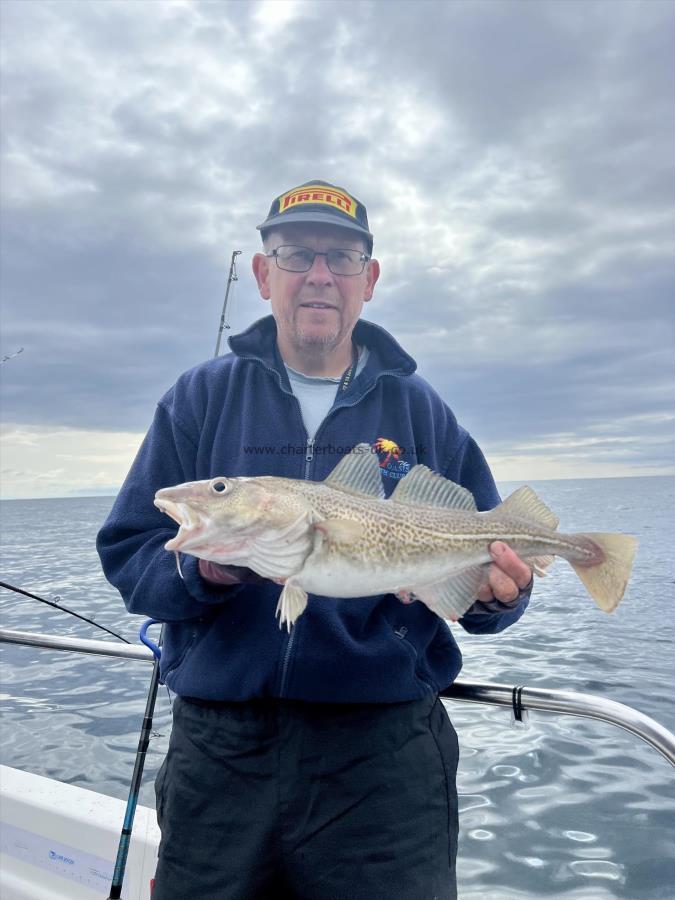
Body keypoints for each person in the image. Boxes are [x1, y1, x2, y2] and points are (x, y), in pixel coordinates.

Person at [97, 179, 533, 900]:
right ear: (264, 274)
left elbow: (487, 565)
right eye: (297, 255)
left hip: (383, 756)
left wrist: (494, 597)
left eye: (342, 257)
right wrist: (211, 573)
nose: (320, 276)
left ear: (370, 279)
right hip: (221, 750)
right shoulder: (199, 399)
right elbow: (130, 555)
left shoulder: (420, 410)